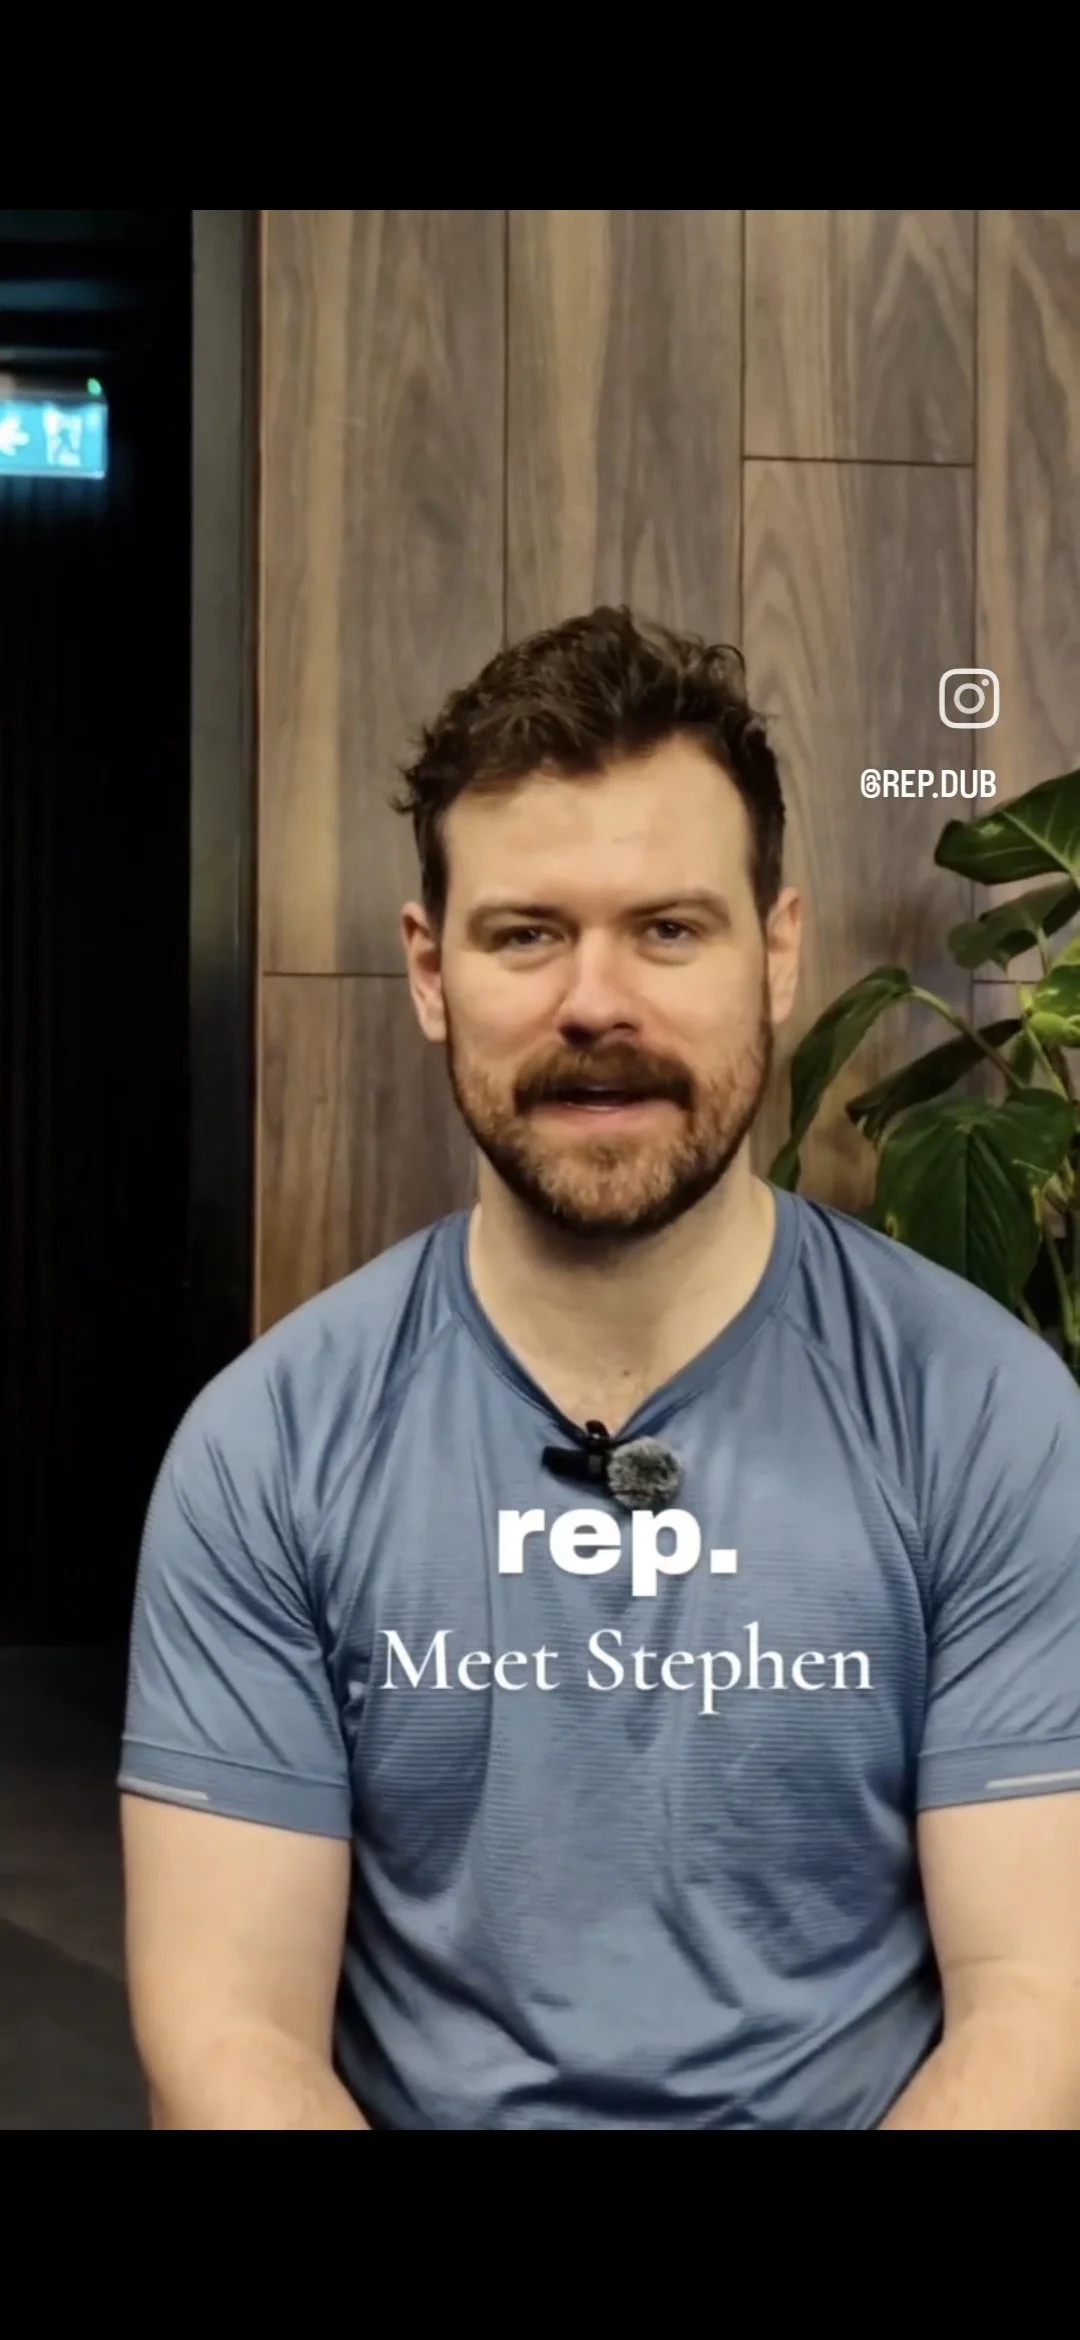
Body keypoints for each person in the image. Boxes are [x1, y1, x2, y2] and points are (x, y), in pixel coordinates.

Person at [119, 606, 1080, 2130]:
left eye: (669, 928)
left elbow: (1037, 2009)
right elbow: (231, 2039)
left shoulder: (990, 1418)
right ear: (432, 971)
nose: (596, 1004)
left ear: (776, 953)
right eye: (528, 933)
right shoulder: (267, 1449)